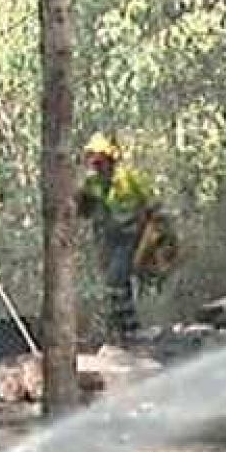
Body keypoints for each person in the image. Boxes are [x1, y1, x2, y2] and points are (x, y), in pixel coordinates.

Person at [77, 133, 177, 337]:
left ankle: (130, 328)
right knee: (114, 282)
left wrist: (162, 234)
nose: (97, 165)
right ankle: (120, 327)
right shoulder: (92, 184)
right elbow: (83, 211)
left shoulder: (128, 178)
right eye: (93, 161)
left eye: (100, 160)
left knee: (116, 279)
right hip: (108, 239)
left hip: (134, 236)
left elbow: (152, 204)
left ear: (110, 159)